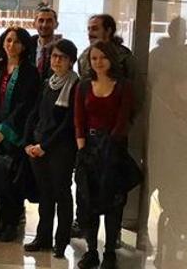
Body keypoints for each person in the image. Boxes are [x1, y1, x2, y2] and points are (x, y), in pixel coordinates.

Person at [74, 41, 134, 269]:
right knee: (87, 202)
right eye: (94, 58)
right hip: (88, 149)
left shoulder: (124, 86)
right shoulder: (83, 86)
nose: (98, 62)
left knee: (113, 203)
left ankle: (109, 252)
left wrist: (110, 146)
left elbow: (123, 119)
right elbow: (79, 118)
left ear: (111, 59)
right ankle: (91, 250)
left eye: (103, 57)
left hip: (114, 149)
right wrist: (82, 148)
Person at [0, 26, 40, 242]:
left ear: (24, 46)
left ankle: (12, 223)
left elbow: (26, 105)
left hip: (15, 134)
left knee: (14, 181)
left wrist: (5, 129)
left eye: (16, 41)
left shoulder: (30, 72)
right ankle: (1, 222)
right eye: (8, 40)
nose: (11, 45)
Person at [23, 39, 79, 259]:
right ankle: (43, 237)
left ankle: (61, 241)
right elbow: (36, 112)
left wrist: (44, 146)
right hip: (38, 146)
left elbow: (68, 123)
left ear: (71, 61)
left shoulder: (75, 85)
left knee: (62, 194)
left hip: (60, 149)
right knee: (45, 194)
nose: (57, 61)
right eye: (54, 56)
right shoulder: (49, 82)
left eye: (62, 57)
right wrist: (27, 141)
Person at [29, 8, 62, 81]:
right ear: (34, 24)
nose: (44, 25)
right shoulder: (26, 46)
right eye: (41, 20)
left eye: (49, 21)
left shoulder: (64, 49)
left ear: (56, 25)